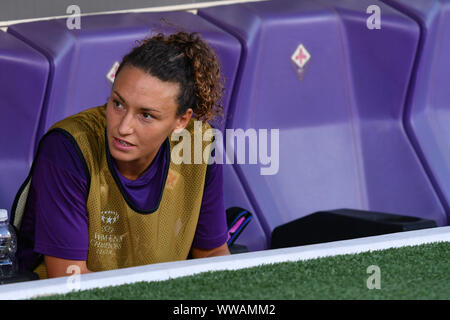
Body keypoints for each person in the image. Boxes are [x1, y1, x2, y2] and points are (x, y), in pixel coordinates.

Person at [12, 31, 230, 279]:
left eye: (146, 115)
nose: (123, 127)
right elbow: (68, 280)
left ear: (181, 120)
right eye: (118, 104)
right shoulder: (67, 147)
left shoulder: (199, 146)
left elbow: (212, 253)